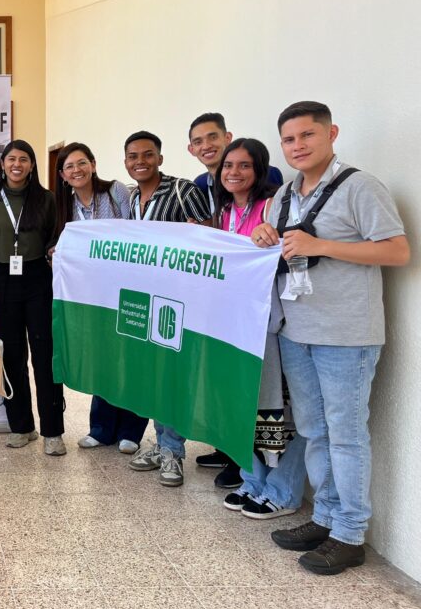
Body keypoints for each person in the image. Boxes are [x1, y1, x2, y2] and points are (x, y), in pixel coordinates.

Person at [252, 101, 409, 575]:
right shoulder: (283, 197)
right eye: (289, 140)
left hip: (346, 334)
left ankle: (350, 533)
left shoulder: (360, 187)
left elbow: (398, 251)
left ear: (331, 133)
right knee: (315, 431)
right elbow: (283, 248)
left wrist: (322, 245)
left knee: (345, 435)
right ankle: (325, 517)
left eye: (307, 136)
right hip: (297, 330)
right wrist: (264, 234)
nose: (297, 146)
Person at [210, 138, 307, 520]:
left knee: (279, 410)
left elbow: (289, 251)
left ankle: (281, 491)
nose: (234, 172)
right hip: (232, 324)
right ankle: (253, 481)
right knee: (241, 404)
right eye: (228, 165)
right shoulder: (221, 213)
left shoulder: (272, 207)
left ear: (260, 170)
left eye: (244, 166)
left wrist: (272, 236)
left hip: (268, 323)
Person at [123, 131, 211, 486]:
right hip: (144, 299)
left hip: (177, 300)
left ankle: (173, 450)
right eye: (132, 156)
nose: (140, 161)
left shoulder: (183, 191)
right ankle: (162, 443)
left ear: (160, 157)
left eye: (147, 155)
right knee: (154, 375)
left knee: (172, 374)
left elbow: (208, 235)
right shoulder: (132, 198)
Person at [0, 140, 65, 456]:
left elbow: (55, 237)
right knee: (11, 358)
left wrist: (54, 254)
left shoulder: (46, 199)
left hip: (39, 279)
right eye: (12, 159)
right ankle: (22, 427)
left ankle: (53, 431)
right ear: (3, 164)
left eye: (24, 159)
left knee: (45, 357)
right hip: (1, 282)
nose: (17, 164)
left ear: (32, 165)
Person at [51, 142, 143, 455]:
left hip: (129, 289)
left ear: (92, 163)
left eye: (81, 163)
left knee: (131, 359)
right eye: (69, 167)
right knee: (103, 361)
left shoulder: (116, 193)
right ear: (62, 175)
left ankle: (131, 431)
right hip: (93, 296)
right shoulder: (64, 205)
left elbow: (139, 232)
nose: (76, 170)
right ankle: (101, 430)